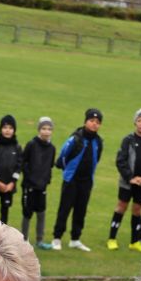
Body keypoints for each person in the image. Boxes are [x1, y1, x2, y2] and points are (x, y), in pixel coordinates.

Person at [50, 107, 104, 252]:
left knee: (81, 210)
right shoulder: (76, 138)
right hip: (71, 180)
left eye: (97, 122)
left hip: (86, 181)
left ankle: (75, 239)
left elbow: (96, 159)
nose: (94, 124)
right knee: (64, 209)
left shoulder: (98, 141)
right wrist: (68, 171)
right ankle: (57, 238)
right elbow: (62, 157)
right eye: (91, 121)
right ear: (86, 121)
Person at [108, 107, 141, 251]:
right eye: (139, 120)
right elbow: (121, 160)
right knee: (121, 207)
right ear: (135, 123)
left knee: (137, 210)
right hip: (127, 182)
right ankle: (112, 238)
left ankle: (134, 241)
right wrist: (130, 177)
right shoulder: (128, 140)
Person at [20, 115, 55, 248]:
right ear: (39, 130)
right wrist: (30, 179)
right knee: (27, 213)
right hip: (29, 186)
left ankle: (40, 240)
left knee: (41, 212)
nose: (46, 131)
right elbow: (24, 163)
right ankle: (23, 241)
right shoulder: (31, 144)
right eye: (44, 128)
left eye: (49, 129)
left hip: (42, 186)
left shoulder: (52, 148)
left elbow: (50, 166)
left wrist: (46, 180)